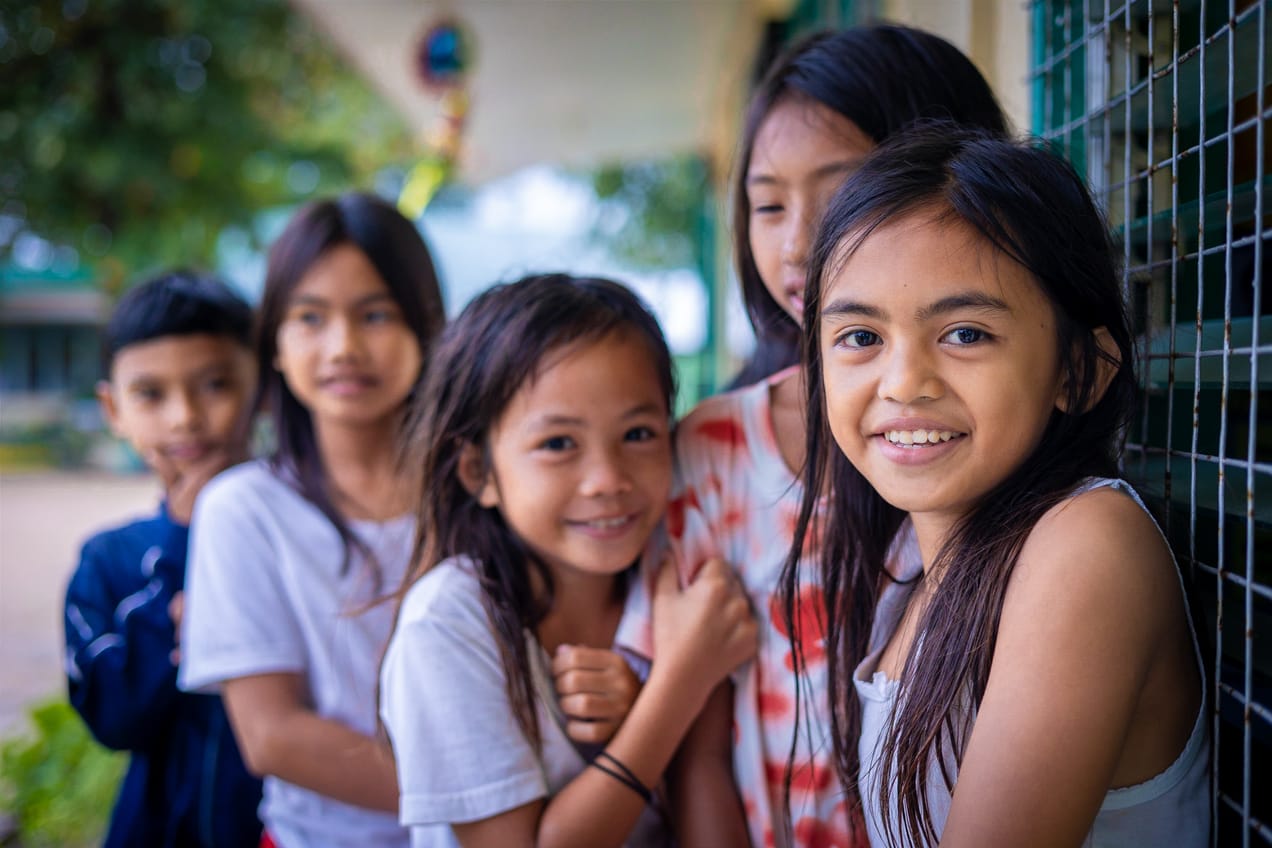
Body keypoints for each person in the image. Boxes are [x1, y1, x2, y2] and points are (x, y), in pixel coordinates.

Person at [787, 126, 1208, 847]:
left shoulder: (1086, 545)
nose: (902, 383)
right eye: (860, 337)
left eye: (966, 333)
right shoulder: (910, 572)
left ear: (1079, 370)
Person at [641, 25, 1010, 848]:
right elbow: (697, 751)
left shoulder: (997, 443)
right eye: (767, 204)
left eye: (841, 191)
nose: (797, 242)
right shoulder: (709, 454)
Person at [379, 273, 758, 848]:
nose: (608, 480)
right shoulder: (448, 623)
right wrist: (679, 684)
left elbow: (706, 792)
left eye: (638, 433)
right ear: (478, 472)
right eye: (558, 444)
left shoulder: (679, 588)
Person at [178, 192, 445, 848]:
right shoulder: (243, 510)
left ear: (427, 326)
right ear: (274, 342)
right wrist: (489, 799)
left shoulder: (482, 488)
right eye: (310, 317)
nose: (344, 347)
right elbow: (273, 737)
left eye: (376, 314)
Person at [64, 270, 262, 848]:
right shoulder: (109, 563)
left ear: (264, 385)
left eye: (215, 384)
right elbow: (116, 720)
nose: (184, 417)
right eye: (150, 394)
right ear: (113, 408)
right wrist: (182, 543)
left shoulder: (309, 540)